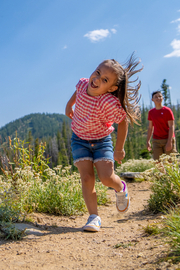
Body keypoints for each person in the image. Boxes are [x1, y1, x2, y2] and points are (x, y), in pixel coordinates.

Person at [65, 55, 142, 232]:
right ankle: (94, 217)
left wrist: (119, 148)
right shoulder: (84, 84)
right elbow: (78, 91)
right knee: (86, 178)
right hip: (79, 139)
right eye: (97, 73)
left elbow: (123, 121)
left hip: (101, 142)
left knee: (106, 178)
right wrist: (70, 105)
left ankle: (120, 187)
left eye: (104, 80)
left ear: (112, 88)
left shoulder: (107, 102)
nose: (97, 79)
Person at [146, 91, 176, 160]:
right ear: (152, 99)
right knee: (157, 162)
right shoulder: (151, 112)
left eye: (160, 96)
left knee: (169, 162)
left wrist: (169, 142)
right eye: (156, 97)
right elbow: (150, 127)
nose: (158, 98)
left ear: (162, 98)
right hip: (156, 140)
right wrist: (148, 141)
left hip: (167, 139)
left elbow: (171, 126)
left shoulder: (167, 111)